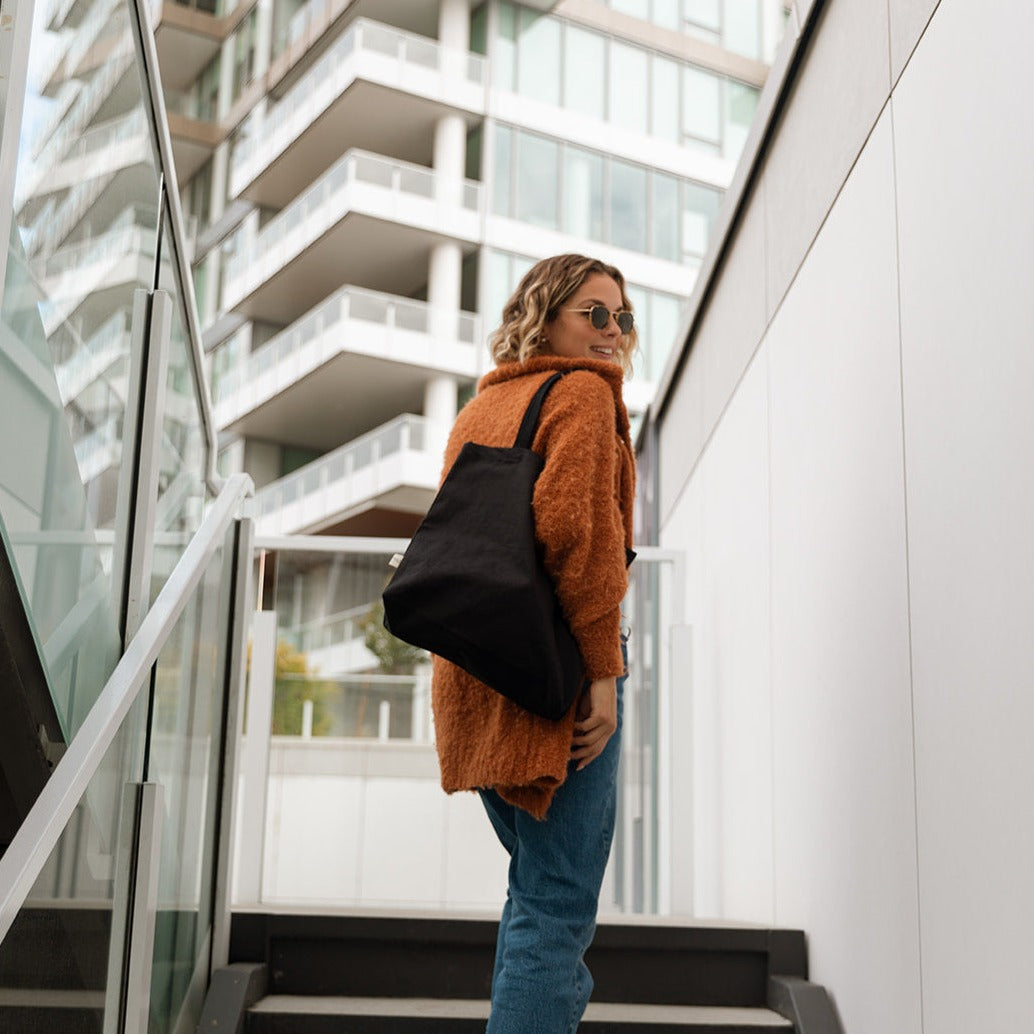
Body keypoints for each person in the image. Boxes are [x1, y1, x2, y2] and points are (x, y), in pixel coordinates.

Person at [430, 253, 638, 1033]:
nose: (613, 332)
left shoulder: (480, 408)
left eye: (622, 317)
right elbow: (578, 544)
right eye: (594, 314)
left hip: (476, 677)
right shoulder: (584, 396)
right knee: (554, 911)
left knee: (535, 896)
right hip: (555, 683)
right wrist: (605, 677)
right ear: (546, 313)